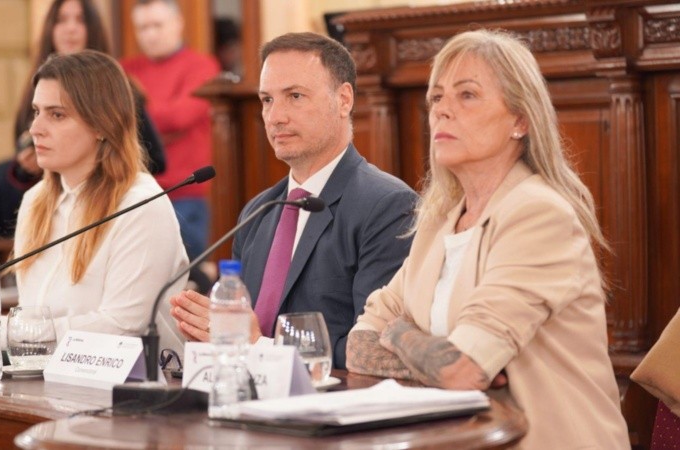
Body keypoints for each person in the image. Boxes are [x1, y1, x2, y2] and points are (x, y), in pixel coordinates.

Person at [345, 30, 629, 449]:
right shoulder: (437, 221)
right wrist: (428, 353)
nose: (442, 111)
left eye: (467, 95)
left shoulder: (539, 214)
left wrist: (400, 333)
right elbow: (357, 345)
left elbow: (463, 371)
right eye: (437, 98)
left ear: (520, 120)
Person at [169, 32, 417, 370]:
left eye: (295, 96)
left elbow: (375, 347)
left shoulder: (388, 206)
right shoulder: (258, 212)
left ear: (344, 100)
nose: (275, 117)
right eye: (267, 100)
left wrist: (261, 346)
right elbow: (239, 331)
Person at [0, 50, 188, 353]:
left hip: (132, 391)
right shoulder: (34, 202)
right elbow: (33, 318)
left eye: (57, 115)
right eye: (36, 111)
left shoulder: (142, 204)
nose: (35, 129)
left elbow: (122, 326)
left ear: (101, 125)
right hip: (44, 382)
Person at [0, 0, 165, 238]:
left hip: (106, 196)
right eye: (62, 20)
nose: (71, 28)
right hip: (48, 194)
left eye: (80, 20)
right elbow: (22, 145)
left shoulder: (118, 89)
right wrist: (26, 169)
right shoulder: (37, 86)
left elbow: (156, 159)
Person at [121, 0, 220, 260]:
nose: (150, 34)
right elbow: (114, 119)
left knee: (187, 276)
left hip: (185, 192)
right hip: (135, 192)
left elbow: (179, 118)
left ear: (178, 24)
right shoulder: (126, 70)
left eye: (157, 25)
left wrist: (138, 118)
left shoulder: (202, 66)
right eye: (142, 28)